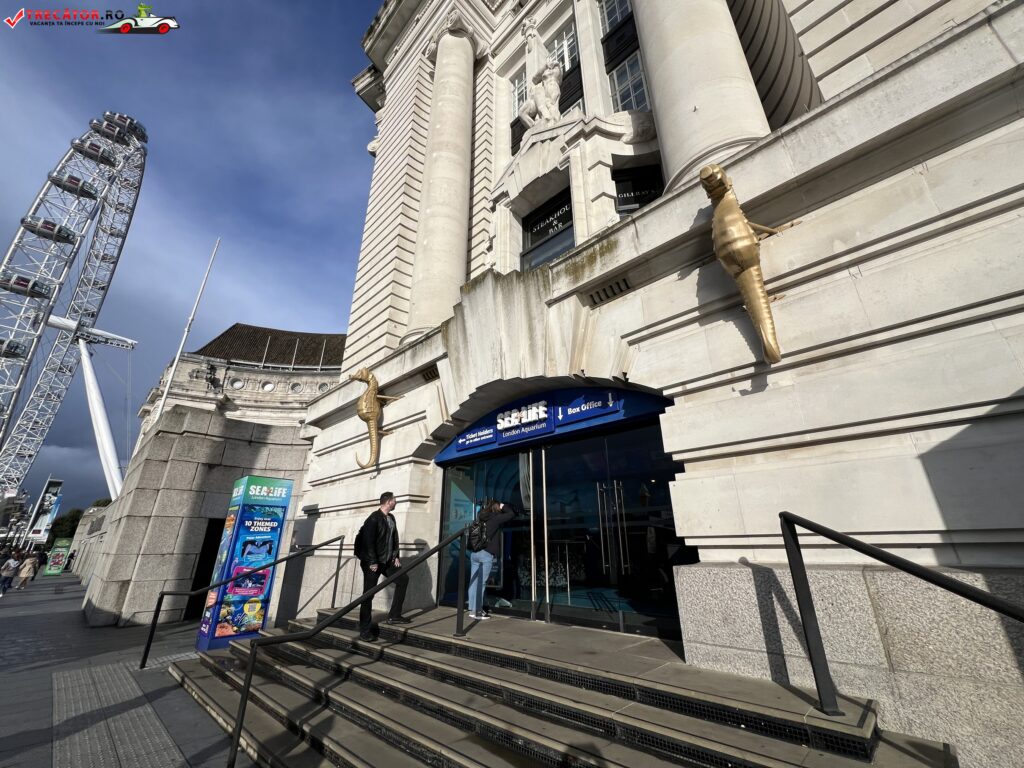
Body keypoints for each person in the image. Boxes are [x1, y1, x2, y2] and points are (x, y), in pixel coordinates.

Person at [355, 492, 410, 641]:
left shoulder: (391, 518)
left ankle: (394, 615)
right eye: (394, 500)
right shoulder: (373, 519)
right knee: (368, 595)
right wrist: (372, 561)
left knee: (403, 579)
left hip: (387, 561)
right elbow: (368, 542)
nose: (396, 502)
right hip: (373, 563)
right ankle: (364, 630)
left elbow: (394, 539)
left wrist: (396, 556)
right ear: (388, 502)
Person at [468, 500, 516, 621]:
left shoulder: (480, 517)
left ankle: (472, 610)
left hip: (475, 553)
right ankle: (478, 611)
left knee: (474, 582)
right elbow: (511, 514)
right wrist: (503, 506)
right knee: (481, 583)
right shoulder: (495, 518)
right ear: (496, 508)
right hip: (486, 554)